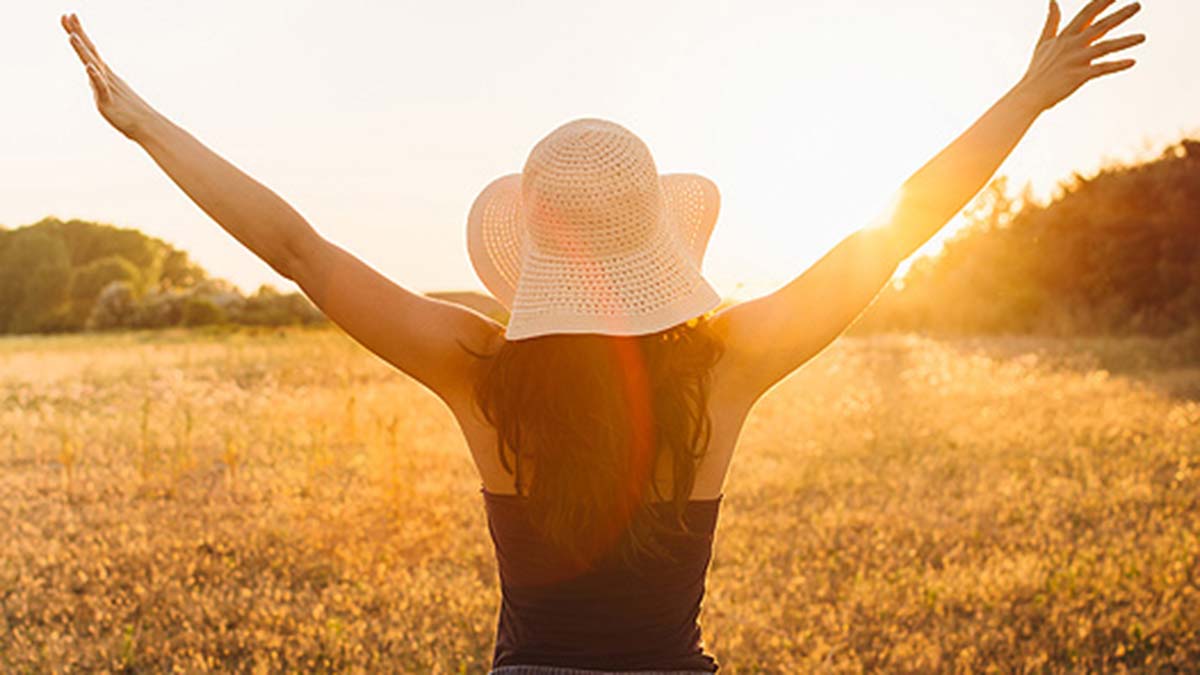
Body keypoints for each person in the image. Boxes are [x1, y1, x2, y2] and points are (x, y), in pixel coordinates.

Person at [60, 2, 1144, 671]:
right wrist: (1028, 98)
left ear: (531, 246)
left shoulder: (479, 371)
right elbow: (900, 227)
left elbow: (297, 247)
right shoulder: (726, 366)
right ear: (655, 239)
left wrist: (143, 122)